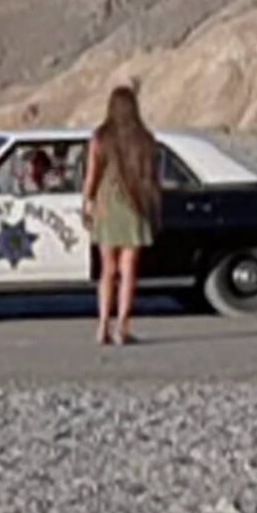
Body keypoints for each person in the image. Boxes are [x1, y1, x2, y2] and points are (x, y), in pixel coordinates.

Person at [81, 85, 162, 346]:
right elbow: (152, 179)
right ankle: (122, 328)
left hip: (108, 204)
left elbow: (91, 176)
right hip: (134, 205)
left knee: (107, 270)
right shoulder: (145, 139)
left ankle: (102, 325)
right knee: (128, 271)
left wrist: (87, 202)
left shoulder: (100, 138)